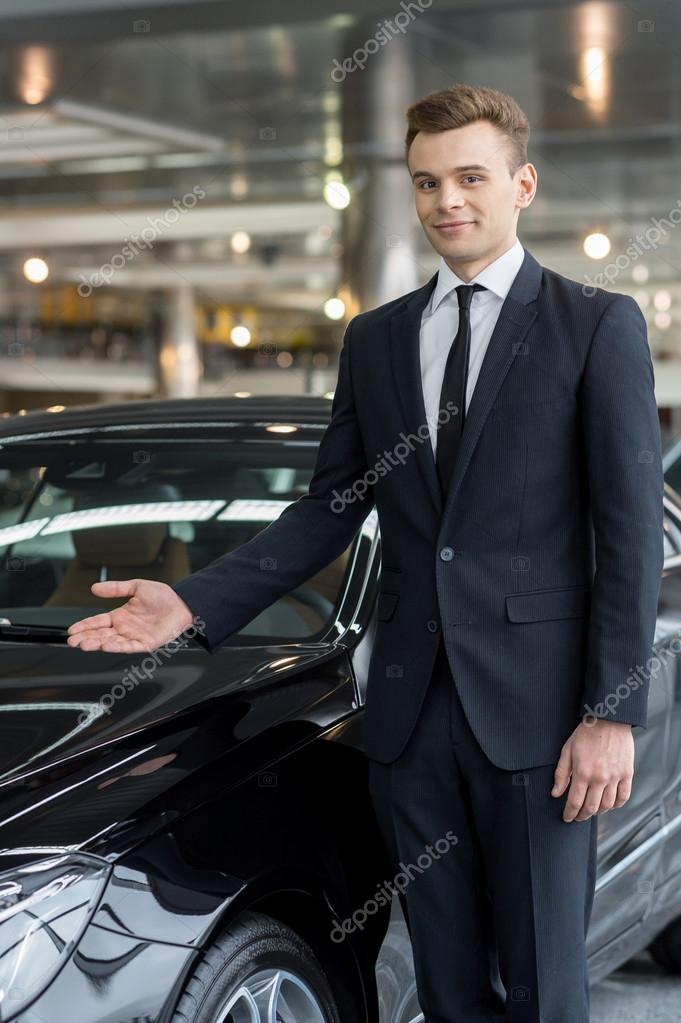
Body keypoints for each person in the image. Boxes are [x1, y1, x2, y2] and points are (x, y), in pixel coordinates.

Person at [67, 83, 664, 1022]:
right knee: (446, 987)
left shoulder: (594, 324)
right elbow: (328, 510)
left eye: (470, 177)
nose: (446, 200)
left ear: (522, 185)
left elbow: (628, 533)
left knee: (544, 988)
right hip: (409, 723)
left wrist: (609, 713)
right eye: (426, 183)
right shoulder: (378, 339)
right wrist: (191, 603)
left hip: (542, 723)